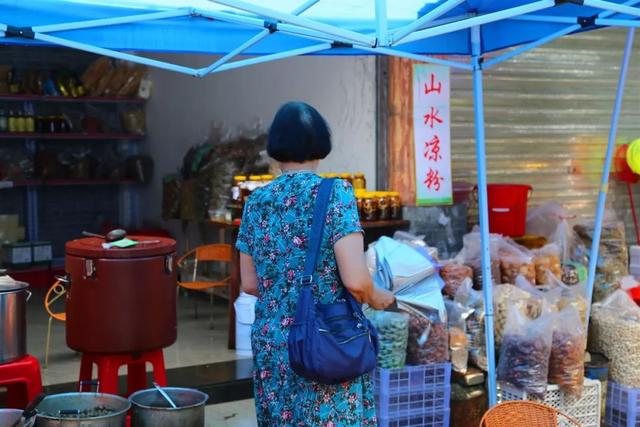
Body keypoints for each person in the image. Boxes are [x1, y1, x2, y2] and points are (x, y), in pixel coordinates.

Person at [236, 101, 395, 426]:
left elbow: (249, 284)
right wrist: (377, 296)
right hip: (325, 340)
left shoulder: (255, 203)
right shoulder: (335, 193)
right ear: (320, 144)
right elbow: (356, 280)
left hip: (274, 346)